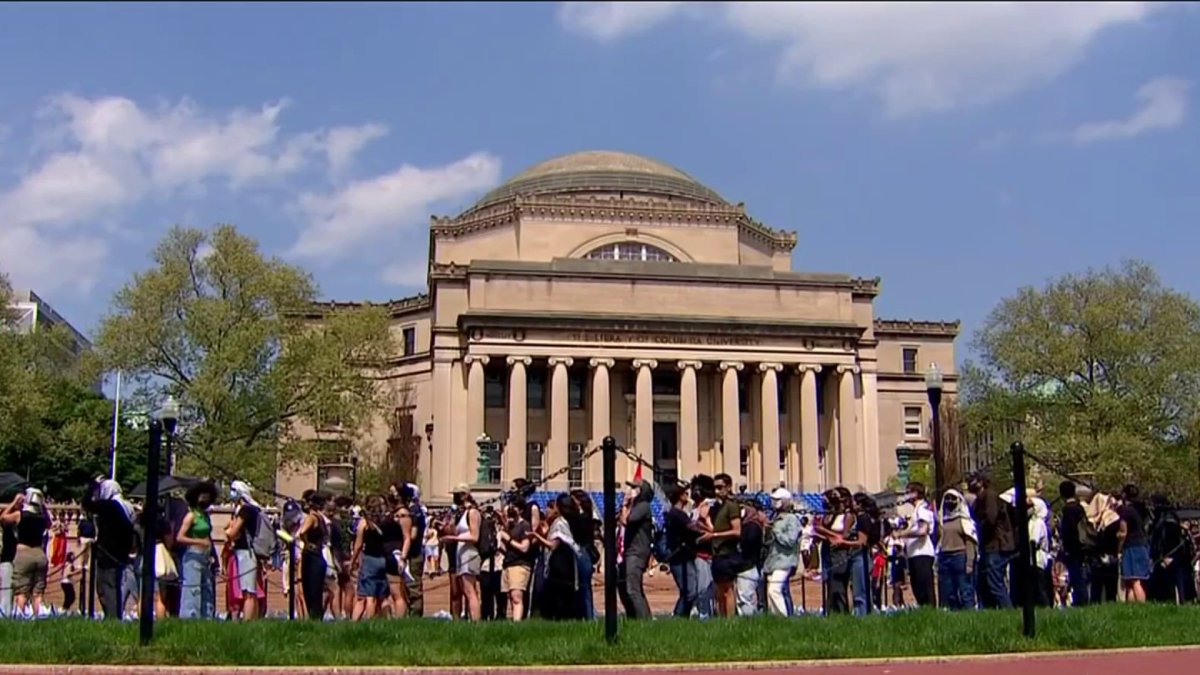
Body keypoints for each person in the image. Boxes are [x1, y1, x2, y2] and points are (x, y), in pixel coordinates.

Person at [82, 479, 136, 620]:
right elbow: (130, 529)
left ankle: (112, 617)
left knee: (107, 587)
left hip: (108, 554)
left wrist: (92, 487)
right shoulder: (122, 507)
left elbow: (87, 504)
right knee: (111, 586)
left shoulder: (109, 506)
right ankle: (112, 616)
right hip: (118, 553)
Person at [530, 493, 582, 621]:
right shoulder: (567, 521)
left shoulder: (560, 523)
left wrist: (536, 536)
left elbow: (553, 545)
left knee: (559, 593)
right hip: (566, 561)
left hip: (560, 562)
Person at [968, 472, 1015, 609]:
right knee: (984, 584)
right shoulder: (979, 500)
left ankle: (1008, 611)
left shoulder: (989, 495)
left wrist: (979, 529)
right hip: (988, 545)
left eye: (974, 480)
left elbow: (990, 519)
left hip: (996, 544)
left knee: (995, 582)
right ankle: (991, 612)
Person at [698, 473, 742, 618]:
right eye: (715, 488)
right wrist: (706, 519)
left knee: (727, 590)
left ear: (728, 487)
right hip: (716, 553)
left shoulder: (731, 506)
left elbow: (737, 531)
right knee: (719, 591)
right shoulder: (716, 507)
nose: (717, 491)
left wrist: (715, 536)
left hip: (727, 553)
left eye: (720, 487)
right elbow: (714, 530)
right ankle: (723, 619)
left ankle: (730, 620)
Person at [0, 489, 49, 617]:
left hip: (24, 554)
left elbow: (3, 518)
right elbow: (48, 520)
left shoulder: (20, 515)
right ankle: (39, 618)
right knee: (38, 593)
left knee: (21, 592)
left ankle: (20, 620)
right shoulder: (42, 518)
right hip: (40, 554)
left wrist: (14, 501)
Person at [176, 482, 218, 619]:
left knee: (207, 589)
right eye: (202, 495)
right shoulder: (191, 516)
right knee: (193, 590)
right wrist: (199, 541)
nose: (205, 498)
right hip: (192, 556)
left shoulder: (205, 516)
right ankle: (189, 617)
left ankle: (206, 617)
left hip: (205, 557)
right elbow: (180, 537)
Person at [224, 480, 265, 620]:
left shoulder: (245, 510)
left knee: (248, 591)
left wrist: (229, 530)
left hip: (245, 552)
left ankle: (248, 622)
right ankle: (253, 620)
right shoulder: (254, 509)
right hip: (250, 552)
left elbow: (232, 533)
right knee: (251, 591)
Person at [442, 484, 482, 621]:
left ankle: (476, 621)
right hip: (461, 553)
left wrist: (455, 538)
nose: (454, 497)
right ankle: (471, 619)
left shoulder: (472, 512)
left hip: (470, 554)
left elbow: (474, 536)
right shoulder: (463, 513)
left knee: (470, 590)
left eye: (457, 494)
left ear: (465, 495)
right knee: (466, 589)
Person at [895, 482, 936, 608]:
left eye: (909, 491)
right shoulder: (915, 510)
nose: (906, 495)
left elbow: (923, 530)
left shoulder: (923, 509)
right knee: (917, 587)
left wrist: (902, 534)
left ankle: (929, 611)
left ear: (916, 493)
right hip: (914, 554)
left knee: (924, 588)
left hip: (922, 554)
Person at [618, 479, 654, 620]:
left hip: (637, 552)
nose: (630, 490)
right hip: (631, 551)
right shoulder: (637, 506)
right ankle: (641, 618)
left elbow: (628, 520)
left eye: (634, 487)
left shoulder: (643, 506)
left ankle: (643, 620)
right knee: (633, 588)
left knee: (632, 589)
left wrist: (625, 505)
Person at [351, 496, 391, 620]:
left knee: (369, 595)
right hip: (383, 560)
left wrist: (353, 561)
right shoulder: (385, 522)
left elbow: (358, 545)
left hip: (370, 559)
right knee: (382, 594)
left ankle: (369, 621)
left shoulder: (364, 523)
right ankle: (388, 620)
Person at [937, 488, 977, 610]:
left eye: (953, 498)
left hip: (960, 557)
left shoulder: (964, 520)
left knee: (965, 589)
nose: (950, 501)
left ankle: (970, 615)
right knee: (949, 591)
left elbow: (970, 542)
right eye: (947, 498)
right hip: (945, 558)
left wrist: (969, 563)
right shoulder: (943, 521)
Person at [663, 484, 700, 618]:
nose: (687, 495)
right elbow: (693, 530)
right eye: (685, 493)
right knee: (690, 591)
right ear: (680, 496)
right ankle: (678, 616)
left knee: (687, 591)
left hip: (680, 556)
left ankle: (681, 617)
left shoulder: (674, 513)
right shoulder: (677, 514)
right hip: (680, 557)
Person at [294, 491, 331, 620]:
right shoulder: (321, 519)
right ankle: (317, 618)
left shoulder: (312, 518)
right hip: (318, 556)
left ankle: (314, 618)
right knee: (317, 592)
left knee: (311, 592)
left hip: (311, 558)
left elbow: (301, 532)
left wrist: (307, 543)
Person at [1057, 481, 1091, 607]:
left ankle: (1081, 602)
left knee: (1076, 576)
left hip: (1073, 548)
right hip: (1083, 545)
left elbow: (1068, 531)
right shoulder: (1079, 508)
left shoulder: (1068, 510)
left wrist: (1066, 548)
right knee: (1080, 575)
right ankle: (1082, 600)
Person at [498, 504, 534, 622]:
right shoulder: (511, 526)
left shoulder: (525, 525)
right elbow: (507, 549)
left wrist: (508, 539)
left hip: (519, 564)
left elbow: (524, 548)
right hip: (508, 563)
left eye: (514, 507)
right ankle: (515, 620)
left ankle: (517, 623)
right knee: (510, 596)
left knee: (516, 596)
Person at [1117, 484, 1150, 604]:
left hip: (1132, 546)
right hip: (1143, 545)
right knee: (1129, 581)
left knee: (1135, 580)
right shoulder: (1141, 509)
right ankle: (1131, 609)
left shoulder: (1126, 511)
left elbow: (1123, 532)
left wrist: (1119, 548)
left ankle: (1141, 607)